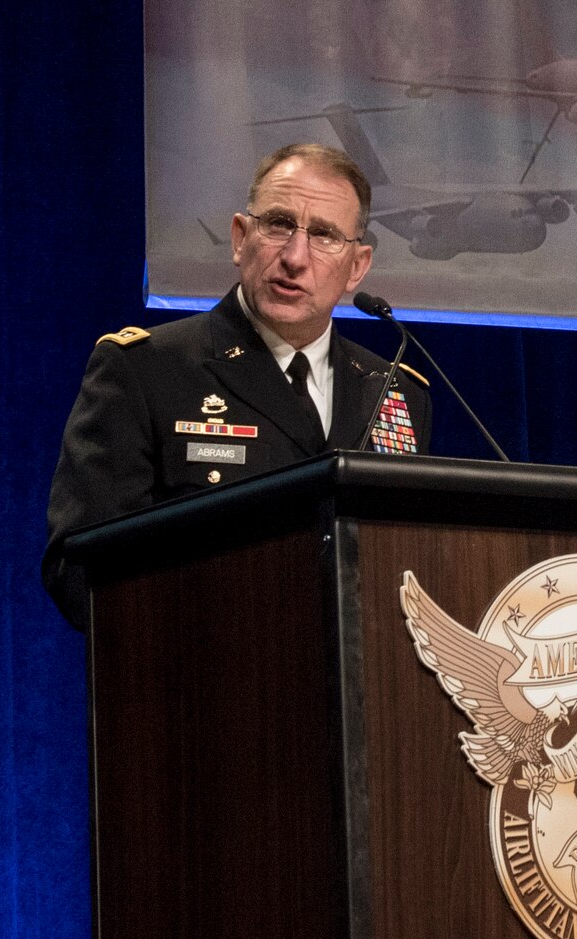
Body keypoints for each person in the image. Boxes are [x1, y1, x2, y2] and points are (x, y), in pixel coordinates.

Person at [42, 143, 432, 627]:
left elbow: (408, 565)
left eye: (325, 235)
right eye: (279, 224)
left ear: (357, 266)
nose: (295, 257)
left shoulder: (394, 390)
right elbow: (79, 571)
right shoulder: (146, 371)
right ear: (240, 238)